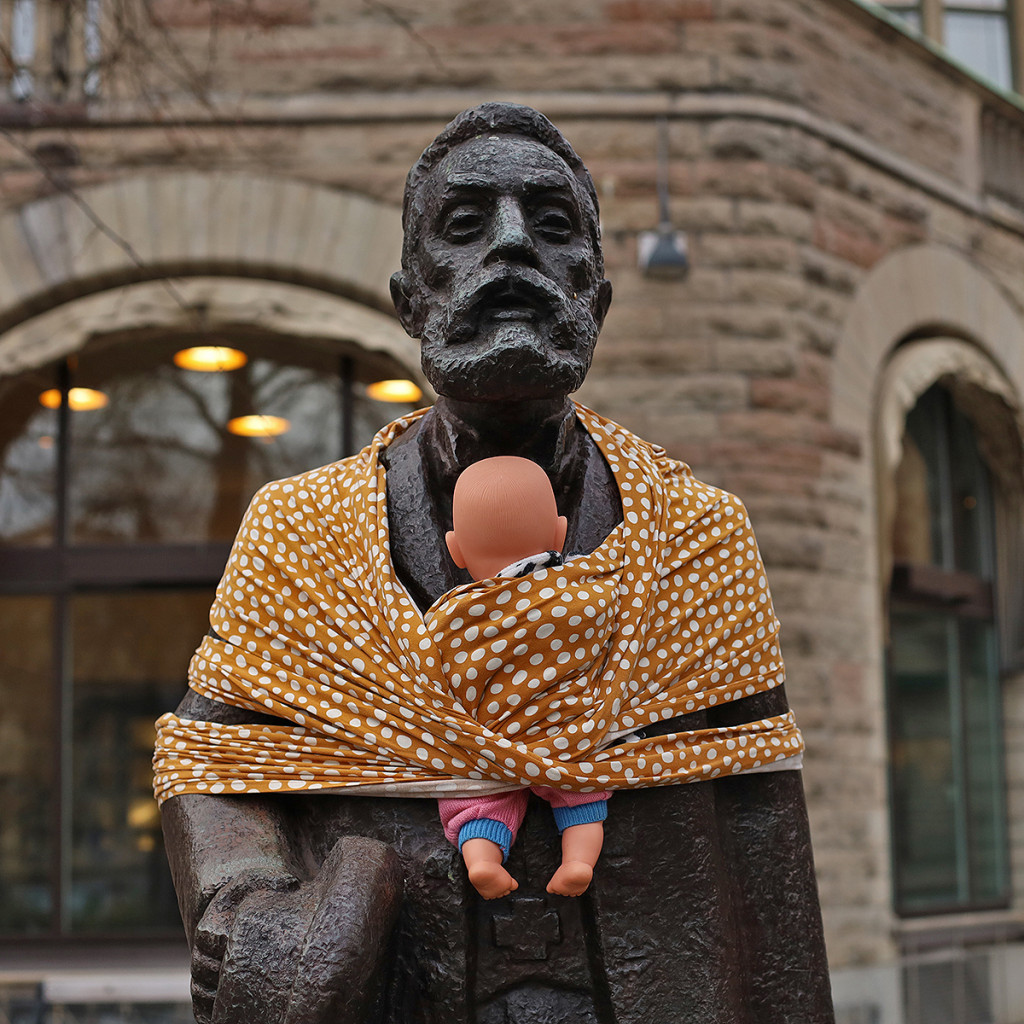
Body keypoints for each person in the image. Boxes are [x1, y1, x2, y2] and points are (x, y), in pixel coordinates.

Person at [155, 103, 835, 1024]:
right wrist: (244, 902)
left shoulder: (695, 538)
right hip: (401, 990)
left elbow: (760, 818)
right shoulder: (300, 533)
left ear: (596, 298)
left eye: (552, 227)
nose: (512, 247)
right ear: (410, 301)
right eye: (466, 225)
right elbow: (213, 760)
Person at [439, 455, 608, 900]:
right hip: (566, 732)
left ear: (455, 549)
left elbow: (431, 675)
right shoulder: (585, 594)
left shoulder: (448, 617)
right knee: (584, 797)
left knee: (478, 802)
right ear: (559, 532)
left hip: (488, 740)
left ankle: (481, 860)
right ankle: (577, 862)